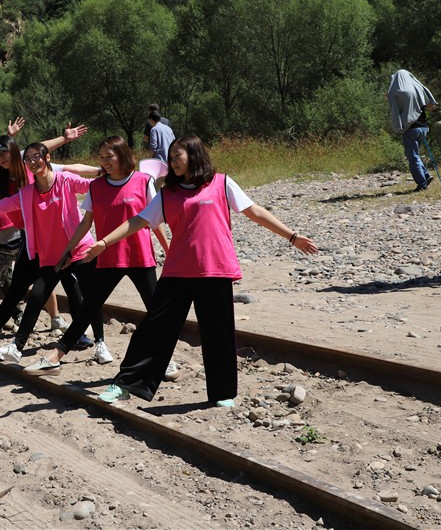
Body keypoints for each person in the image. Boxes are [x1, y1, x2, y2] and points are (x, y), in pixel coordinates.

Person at [86, 135, 317, 408]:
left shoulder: (221, 183)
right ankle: (126, 385)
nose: (172, 162)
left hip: (214, 269)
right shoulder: (167, 194)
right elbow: (138, 220)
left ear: (194, 155)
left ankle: (222, 394)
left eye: (177, 156)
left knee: (218, 334)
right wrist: (104, 241)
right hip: (177, 272)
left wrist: (292, 236)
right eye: (170, 158)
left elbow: (253, 211)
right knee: (153, 330)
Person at [23, 136, 170, 374]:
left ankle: (165, 360)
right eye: (101, 157)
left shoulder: (143, 181)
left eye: (109, 156)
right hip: (108, 258)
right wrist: (68, 251)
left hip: (139, 257)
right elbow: (85, 224)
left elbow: (155, 221)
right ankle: (53, 358)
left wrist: (168, 249)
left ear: (123, 155)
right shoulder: (97, 186)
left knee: (156, 311)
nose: (104, 162)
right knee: (87, 310)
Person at [0, 143, 98, 364]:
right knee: (36, 296)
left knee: (89, 296)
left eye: (36, 157)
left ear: (46, 157)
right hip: (48, 254)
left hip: (76, 250)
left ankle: (99, 342)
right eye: (28, 158)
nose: (32, 162)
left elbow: (91, 185)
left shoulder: (63, 179)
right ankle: (14, 346)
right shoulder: (25, 192)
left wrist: (112, 174)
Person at [387, 69, 438, 191]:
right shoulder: (418, 88)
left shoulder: (399, 91)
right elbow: (431, 106)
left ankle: (422, 183)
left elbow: (391, 102)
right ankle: (426, 175)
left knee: (412, 156)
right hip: (424, 127)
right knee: (414, 154)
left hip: (410, 128)